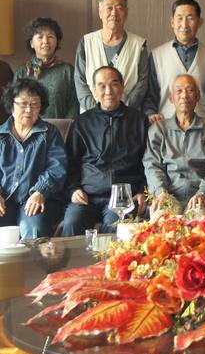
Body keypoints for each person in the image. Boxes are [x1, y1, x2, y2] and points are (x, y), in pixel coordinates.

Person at [0, 78, 68, 241]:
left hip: (36, 198)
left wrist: (41, 191)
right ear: (11, 105)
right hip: (2, 199)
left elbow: (57, 168)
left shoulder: (49, 134)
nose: (28, 110)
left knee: (34, 228)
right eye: (23, 104)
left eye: (34, 104)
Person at [62, 66, 148, 235]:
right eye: (102, 86)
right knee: (72, 223)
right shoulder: (81, 123)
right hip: (87, 196)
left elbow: (148, 162)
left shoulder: (138, 121)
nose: (108, 91)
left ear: (122, 87)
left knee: (116, 227)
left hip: (123, 197)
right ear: (94, 91)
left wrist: (141, 191)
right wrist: (73, 190)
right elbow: (70, 164)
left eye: (114, 84)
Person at [144, 75, 205, 219]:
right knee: (163, 223)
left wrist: (203, 192)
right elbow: (152, 165)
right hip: (168, 195)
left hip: (203, 196)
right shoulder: (158, 130)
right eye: (179, 91)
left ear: (198, 96)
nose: (184, 95)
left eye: (190, 90)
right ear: (171, 98)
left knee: (202, 223)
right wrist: (161, 192)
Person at [74, 0, 149, 113]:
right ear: (100, 12)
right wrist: (97, 112)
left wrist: (123, 111)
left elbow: (142, 83)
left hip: (127, 116)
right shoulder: (86, 42)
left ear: (126, 13)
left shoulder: (139, 45)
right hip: (91, 117)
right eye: (109, 8)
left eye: (119, 8)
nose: (114, 13)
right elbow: (80, 81)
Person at [143, 0, 205, 123]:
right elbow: (149, 95)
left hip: (203, 126)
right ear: (172, 22)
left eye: (190, 18)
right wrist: (151, 114)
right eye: (179, 18)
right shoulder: (157, 55)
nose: (184, 25)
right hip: (166, 126)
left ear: (199, 22)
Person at [12, 17, 78, 119]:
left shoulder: (67, 70)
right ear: (31, 43)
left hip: (62, 127)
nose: (45, 41)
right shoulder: (23, 71)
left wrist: (66, 126)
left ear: (57, 42)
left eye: (50, 37)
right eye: (40, 37)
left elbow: (74, 105)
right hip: (30, 128)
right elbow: (15, 105)